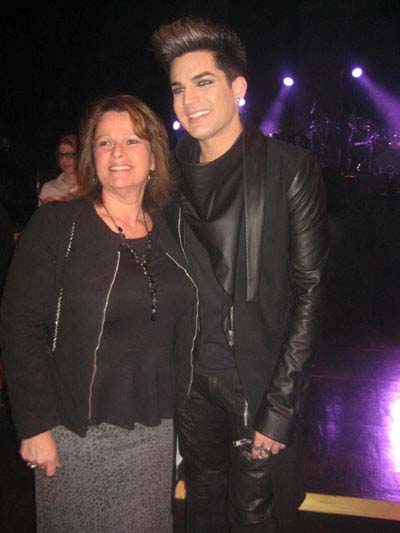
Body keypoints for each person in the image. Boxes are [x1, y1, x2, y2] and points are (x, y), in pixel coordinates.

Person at [152, 17, 329, 533]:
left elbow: (311, 292)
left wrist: (280, 407)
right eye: (179, 89)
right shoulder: (167, 174)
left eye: (203, 82)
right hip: (189, 380)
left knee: (255, 516)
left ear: (238, 88)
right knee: (201, 505)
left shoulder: (287, 168)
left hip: (253, 380)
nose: (189, 100)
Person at [0, 94, 197, 532]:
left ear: (154, 156)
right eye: (105, 143)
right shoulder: (57, 225)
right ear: (91, 156)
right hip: (77, 434)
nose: (118, 153)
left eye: (131, 140)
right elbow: (20, 324)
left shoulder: (172, 227)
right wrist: (34, 425)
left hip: (156, 430)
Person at [38, 133, 79, 205]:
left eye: (69, 155)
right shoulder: (49, 187)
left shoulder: (89, 188)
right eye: (61, 155)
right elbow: (41, 215)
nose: (64, 160)